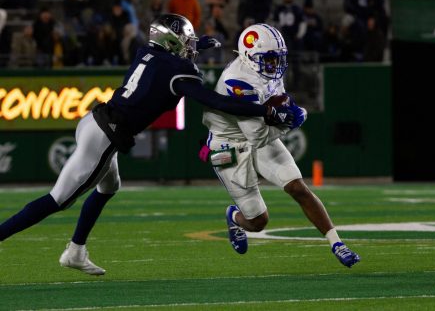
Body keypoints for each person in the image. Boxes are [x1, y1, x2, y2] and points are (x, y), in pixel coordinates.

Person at [0, 14, 297, 276]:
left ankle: (76, 251)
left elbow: (171, 58)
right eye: (186, 41)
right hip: (105, 136)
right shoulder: (178, 74)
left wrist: (199, 45)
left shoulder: (147, 51)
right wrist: (265, 112)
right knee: (58, 200)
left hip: (95, 122)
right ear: (171, 42)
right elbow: (216, 101)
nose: (190, 47)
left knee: (108, 188)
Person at [200, 24, 360, 268]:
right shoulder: (237, 82)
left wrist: (286, 110)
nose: (275, 65)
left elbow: (277, 102)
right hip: (230, 144)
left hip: (259, 131)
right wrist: (291, 122)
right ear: (249, 56)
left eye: (278, 58)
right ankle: (234, 216)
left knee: (298, 187)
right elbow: (257, 136)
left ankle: (337, 243)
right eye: (270, 59)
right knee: (258, 221)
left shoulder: (266, 70)